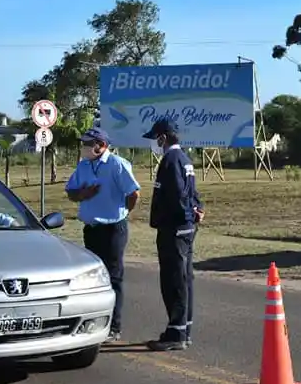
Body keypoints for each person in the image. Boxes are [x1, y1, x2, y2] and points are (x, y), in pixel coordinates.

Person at [65, 127, 141, 342]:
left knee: (113, 278)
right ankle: (93, 324)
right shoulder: (84, 165)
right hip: (91, 229)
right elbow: (70, 192)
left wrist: (123, 212)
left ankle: (114, 327)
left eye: (89, 144)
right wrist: (83, 194)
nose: (85, 148)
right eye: (84, 144)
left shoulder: (117, 164)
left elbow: (133, 193)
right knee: (93, 278)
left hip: (113, 228)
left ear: (102, 145)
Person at [142, 118, 205, 351]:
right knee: (184, 279)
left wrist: (188, 213)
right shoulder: (184, 158)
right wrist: (198, 210)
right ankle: (182, 329)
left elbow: (179, 196)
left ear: (163, 137)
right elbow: (193, 193)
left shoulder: (171, 159)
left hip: (174, 229)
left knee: (174, 281)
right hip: (184, 227)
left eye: (155, 138)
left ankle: (176, 334)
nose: (154, 144)